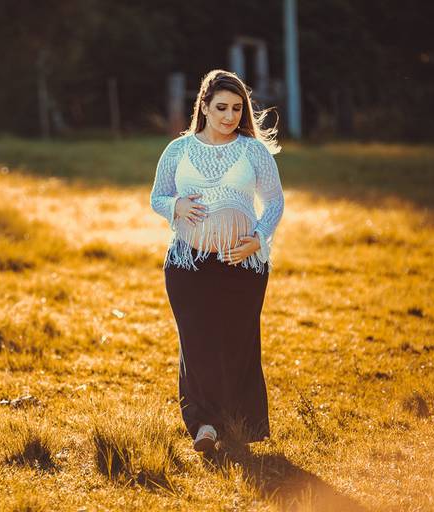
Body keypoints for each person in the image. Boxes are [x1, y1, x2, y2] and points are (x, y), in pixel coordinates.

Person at [149, 69, 285, 454]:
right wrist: (175, 204)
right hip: (188, 266)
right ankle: (204, 425)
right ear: (204, 107)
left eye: (237, 109)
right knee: (197, 345)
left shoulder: (253, 151)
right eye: (221, 107)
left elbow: (274, 202)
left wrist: (257, 240)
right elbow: (157, 197)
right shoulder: (179, 150)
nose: (229, 116)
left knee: (237, 345)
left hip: (242, 266)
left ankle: (238, 423)